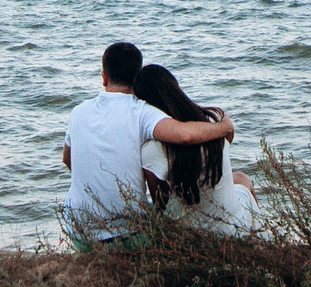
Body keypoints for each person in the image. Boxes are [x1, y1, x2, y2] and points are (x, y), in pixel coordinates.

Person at [61, 42, 234, 247]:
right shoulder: (142, 112)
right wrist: (224, 128)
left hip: (80, 235)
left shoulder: (77, 112)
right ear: (137, 76)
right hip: (129, 237)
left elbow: (68, 160)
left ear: (104, 77)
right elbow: (185, 135)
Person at [133, 63, 261, 236]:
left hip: (188, 234)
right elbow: (227, 143)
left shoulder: (153, 149)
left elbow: (160, 202)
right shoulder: (214, 121)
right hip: (231, 229)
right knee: (241, 179)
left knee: (235, 179)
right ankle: (262, 238)